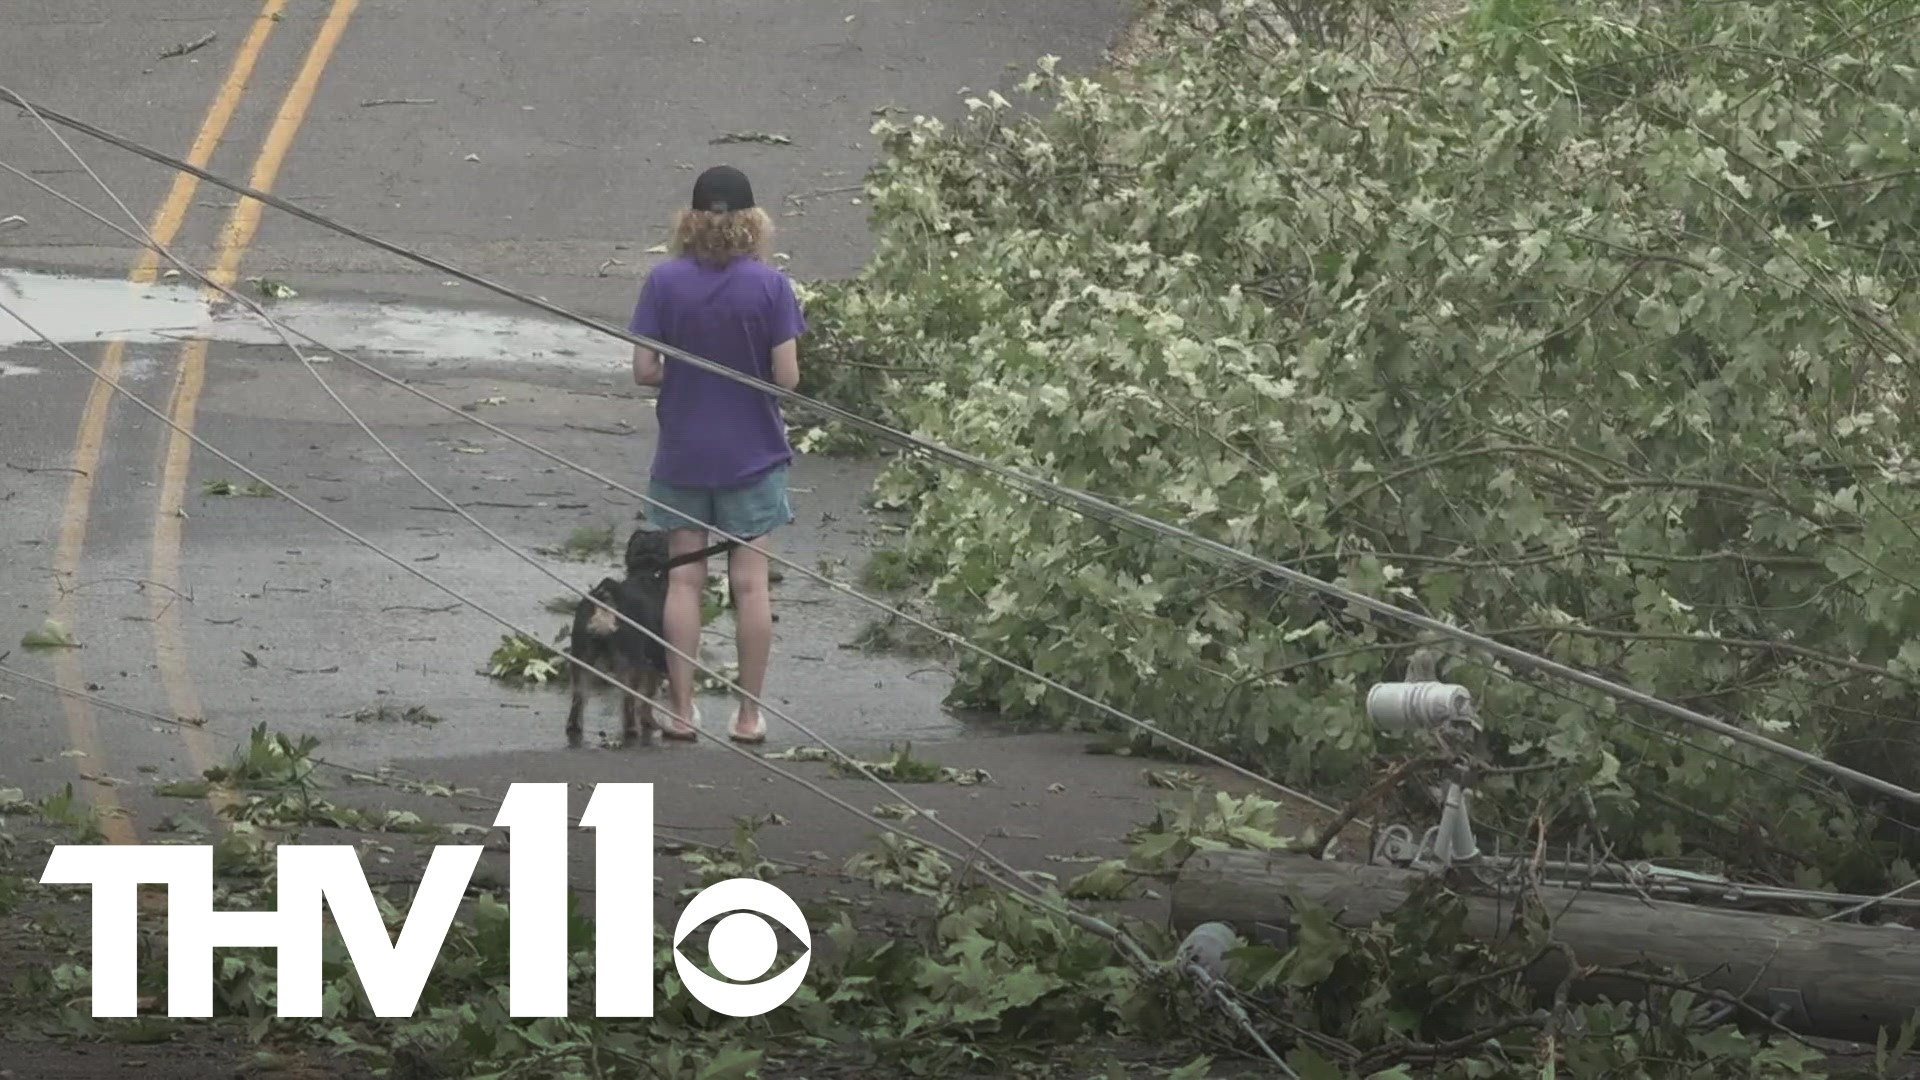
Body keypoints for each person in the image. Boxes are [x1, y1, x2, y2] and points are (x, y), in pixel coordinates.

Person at [628, 165, 803, 745]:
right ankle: (749, 716)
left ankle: (681, 713)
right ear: (754, 221)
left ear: (692, 220)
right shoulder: (771, 288)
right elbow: (787, 378)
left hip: (683, 452)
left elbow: (644, 371)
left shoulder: (664, 282)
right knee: (750, 584)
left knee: (684, 582)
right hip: (752, 454)